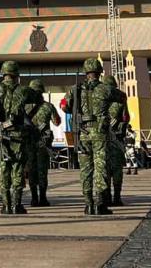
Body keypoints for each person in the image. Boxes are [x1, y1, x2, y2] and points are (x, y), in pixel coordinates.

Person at [62, 58, 113, 215]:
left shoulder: (74, 90)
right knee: (101, 167)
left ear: (86, 72)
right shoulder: (106, 89)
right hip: (99, 133)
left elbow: (64, 107)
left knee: (86, 169)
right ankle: (100, 203)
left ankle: (88, 203)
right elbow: (121, 100)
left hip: (82, 133)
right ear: (99, 72)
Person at [0, 60, 33, 215]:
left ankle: (6, 205)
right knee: (17, 169)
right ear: (16, 74)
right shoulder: (23, 90)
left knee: (4, 170)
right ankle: (17, 205)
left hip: (2, 136)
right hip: (18, 137)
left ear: (3, 73)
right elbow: (37, 98)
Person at [27, 78, 60, 207]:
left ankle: (34, 199)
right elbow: (57, 122)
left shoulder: (24, 107)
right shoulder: (48, 106)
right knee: (42, 172)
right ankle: (43, 198)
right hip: (43, 144)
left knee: (31, 171)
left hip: (29, 143)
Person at [103, 75, 128, 207]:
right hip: (116, 141)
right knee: (117, 171)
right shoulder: (120, 101)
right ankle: (117, 198)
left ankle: (106, 197)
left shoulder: (98, 101)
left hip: (101, 141)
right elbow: (125, 118)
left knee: (104, 170)